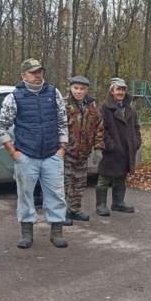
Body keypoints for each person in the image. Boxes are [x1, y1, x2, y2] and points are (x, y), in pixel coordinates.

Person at [0, 58, 70, 248]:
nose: (38, 76)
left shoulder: (53, 93)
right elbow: (1, 126)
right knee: (25, 194)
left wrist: (62, 148)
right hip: (26, 155)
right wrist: (13, 153)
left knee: (56, 194)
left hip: (52, 154)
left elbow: (62, 121)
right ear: (23, 75)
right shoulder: (14, 97)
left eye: (40, 72)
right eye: (33, 72)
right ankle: (27, 233)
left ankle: (56, 232)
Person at [62, 75, 105, 226]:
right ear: (71, 88)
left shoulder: (92, 108)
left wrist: (98, 149)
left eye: (82, 89)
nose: (78, 92)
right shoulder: (63, 105)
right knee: (63, 185)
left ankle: (74, 210)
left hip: (83, 155)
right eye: (76, 88)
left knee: (79, 184)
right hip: (65, 154)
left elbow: (99, 129)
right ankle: (60, 214)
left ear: (86, 90)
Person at [95, 78, 141, 216]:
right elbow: (101, 130)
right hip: (112, 150)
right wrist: (111, 145)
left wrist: (136, 142)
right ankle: (101, 205)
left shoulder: (130, 109)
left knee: (122, 176)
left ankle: (118, 203)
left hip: (127, 149)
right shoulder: (104, 108)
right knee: (105, 176)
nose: (120, 92)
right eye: (118, 89)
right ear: (112, 91)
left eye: (123, 89)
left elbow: (137, 127)